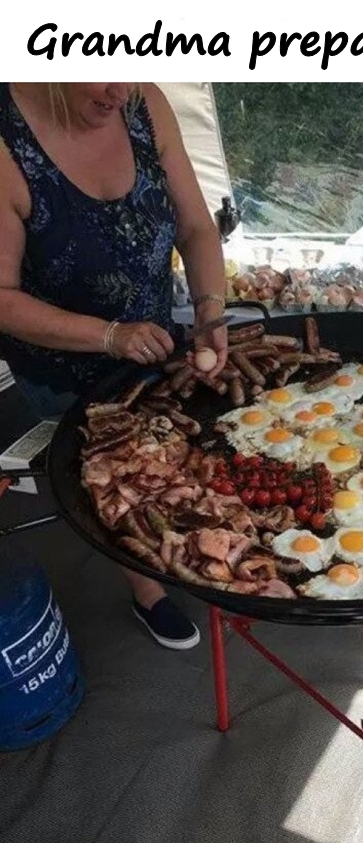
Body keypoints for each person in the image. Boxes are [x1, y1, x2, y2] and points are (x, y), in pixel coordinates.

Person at [0, 82, 228, 650]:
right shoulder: (6, 142)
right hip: (64, 364)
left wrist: (209, 310)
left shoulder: (144, 103)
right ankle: (147, 590)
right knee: (121, 481)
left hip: (155, 340)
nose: (119, 89)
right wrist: (108, 336)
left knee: (180, 460)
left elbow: (197, 227)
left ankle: (199, 547)